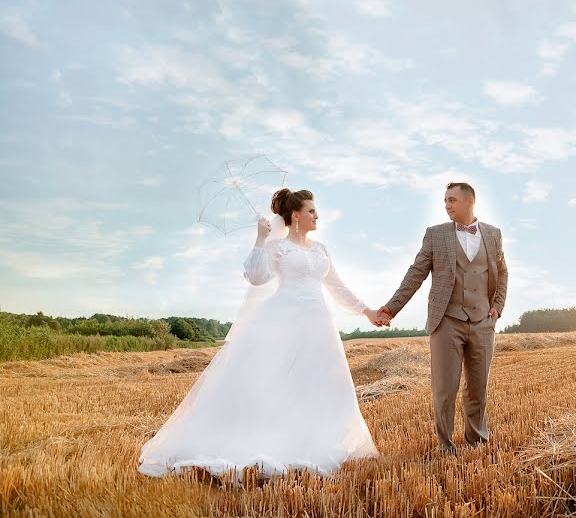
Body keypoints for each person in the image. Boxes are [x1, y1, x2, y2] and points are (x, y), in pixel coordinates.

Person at [137, 188, 390, 480]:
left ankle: (312, 443)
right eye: (311, 211)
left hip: (318, 325)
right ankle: (272, 443)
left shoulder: (321, 250)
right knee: (277, 384)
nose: (316, 215)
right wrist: (260, 238)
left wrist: (366, 311)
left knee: (320, 383)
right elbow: (257, 278)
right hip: (282, 321)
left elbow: (337, 288)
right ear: (295, 216)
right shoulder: (277, 247)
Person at [376, 182, 508, 454]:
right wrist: (392, 307)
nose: (446, 205)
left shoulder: (494, 235)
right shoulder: (436, 235)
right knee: (445, 389)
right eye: (445, 200)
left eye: (452, 200)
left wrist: (497, 307)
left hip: (483, 321)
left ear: (470, 201)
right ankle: (445, 446)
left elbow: (502, 272)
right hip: (446, 320)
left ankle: (476, 443)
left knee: (478, 388)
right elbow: (416, 273)